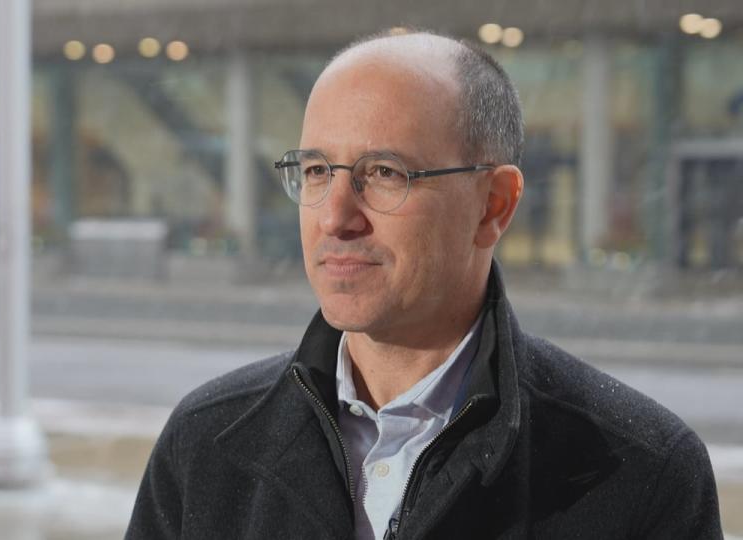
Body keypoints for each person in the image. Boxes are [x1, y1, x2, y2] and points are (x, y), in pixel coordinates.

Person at [126, 31, 722, 539]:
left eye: (383, 173)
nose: (335, 217)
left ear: (493, 204)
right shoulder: (207, 443)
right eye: (315, 172)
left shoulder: (642, 471)